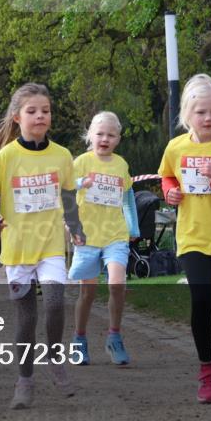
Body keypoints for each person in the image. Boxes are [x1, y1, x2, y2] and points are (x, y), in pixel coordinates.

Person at [0, 83, 85, 410]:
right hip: (17, 248)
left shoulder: (62, 155)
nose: (40, 116)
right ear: (17, 118)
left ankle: (54, 355)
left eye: (45, 110)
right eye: (32, 111)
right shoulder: (7, 157)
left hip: (51, 243)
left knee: (55, 302)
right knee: (25, 319)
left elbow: (68, 196)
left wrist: (76, 226)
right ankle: (24, 380)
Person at [159, 74, 211, 403]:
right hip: (192, 236)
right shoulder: (176, 147)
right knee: (202, 299)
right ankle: (205, 369)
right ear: (187, 115)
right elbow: (166, 175)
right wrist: (170, 193)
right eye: (201, 112)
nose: (208, 118)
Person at [69, 111, 139, 367]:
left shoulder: (121, 164)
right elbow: (66, 190)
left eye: (111, 135)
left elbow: (128, 196)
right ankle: (79, 338)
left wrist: (134, 227)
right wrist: (80, 184)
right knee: (87, 293)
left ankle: (114, 336)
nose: (104, 139)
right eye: (99, 134)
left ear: (118, 139)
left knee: (117, 284)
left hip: (115, 235)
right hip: (87, 236)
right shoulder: (81, 162)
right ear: (90, 135)